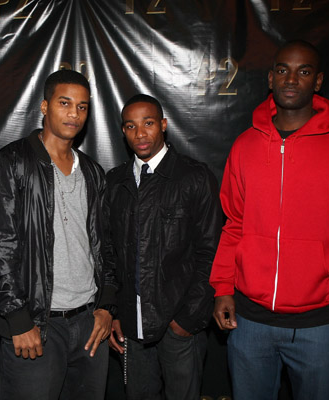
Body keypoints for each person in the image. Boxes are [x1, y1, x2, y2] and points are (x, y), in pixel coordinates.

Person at [210, 40, 329, 400]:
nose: (291, 79)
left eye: (304, 71)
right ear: (271, 77)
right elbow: (233, 224)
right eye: (283, 69)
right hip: (250, 322)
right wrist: (222, 288)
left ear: (318, 80)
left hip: (320, 325)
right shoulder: (245, 145)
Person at [0, 69, 117, 400]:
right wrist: (18, 320)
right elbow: (2, 246)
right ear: (44, 106)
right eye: (65, 103)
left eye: (83, 106)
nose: (74, 113)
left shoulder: (92, 172)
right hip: (36, 325)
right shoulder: (13, 162)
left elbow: (105, 246)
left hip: (89, 322)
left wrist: (106, 306)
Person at [106, 94, 221, 400]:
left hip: (180, 326)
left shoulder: (194, 177)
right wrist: (114, 311)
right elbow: (109, 255)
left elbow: (212, 251)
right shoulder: (115, 182)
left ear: (164, 125)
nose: (139, 133)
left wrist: (186, 319)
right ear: (123, 132)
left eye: (148, 123)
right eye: (130, 126)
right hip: (132, 326)